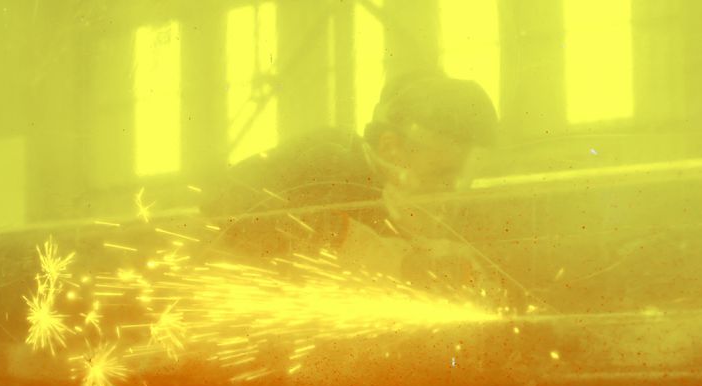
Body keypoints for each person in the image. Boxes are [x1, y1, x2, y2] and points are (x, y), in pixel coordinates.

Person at [201, 70, 500, 288]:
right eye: (441, 175)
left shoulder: (394, 197)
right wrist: (364, 248)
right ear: (390, 147)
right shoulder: (329, 156)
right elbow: (223, 199)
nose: (449, 191)